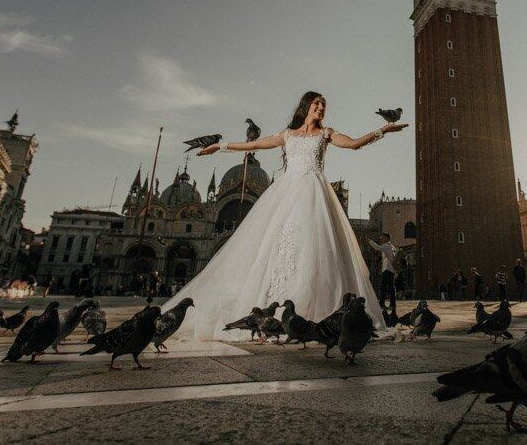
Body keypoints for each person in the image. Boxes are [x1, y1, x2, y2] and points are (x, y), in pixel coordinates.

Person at [164, 91, 406, 341]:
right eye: (317, 104)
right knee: (279, 247)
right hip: (287, 193)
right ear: (306, 107)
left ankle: (312, 315)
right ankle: (274, 313)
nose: (321, 108)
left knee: (313, 249)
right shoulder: (287, 135)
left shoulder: (327, 134)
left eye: (324, 105)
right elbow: (253, 145)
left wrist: (383, 131)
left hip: (315, 194)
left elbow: (354, 143)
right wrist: (220, 146)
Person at [367, 233, 397, 311]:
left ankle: (383, 304)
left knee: (384, 287)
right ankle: (391, 304)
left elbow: (378, 248)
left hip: (387, 269)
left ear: (387, 238)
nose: (381, 239)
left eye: (382, 237)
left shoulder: (387, 245)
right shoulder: (392, 247)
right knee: (390, 287)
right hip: (391, 270)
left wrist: (370, 241)